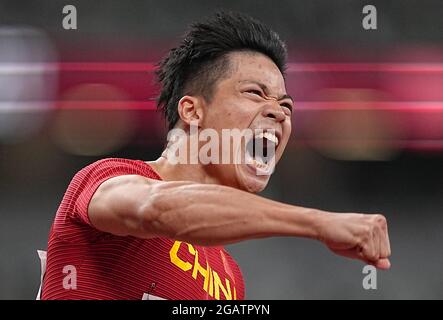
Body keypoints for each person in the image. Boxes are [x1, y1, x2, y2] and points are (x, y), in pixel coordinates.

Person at [40, 11, 391, 300]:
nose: (281, 113)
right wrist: (319, 223)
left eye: (286, 105)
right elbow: (156, 209)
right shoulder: (108, 177)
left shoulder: (230, 277)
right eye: (256, 93)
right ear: (192, 112)